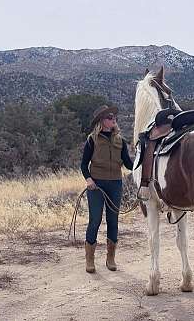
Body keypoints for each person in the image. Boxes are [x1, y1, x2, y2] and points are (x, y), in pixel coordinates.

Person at [80, 105, 133, 273]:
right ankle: (90, 260)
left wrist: (141, 160)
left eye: (114, 117)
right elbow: (83, 164)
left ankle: (110, 258)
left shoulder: (121, 141)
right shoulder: (92, 140)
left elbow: (128, 163)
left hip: (115, 184)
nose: (113, 119)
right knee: (94, 221)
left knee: (113, 220)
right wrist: (88, 179)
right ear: (102, 121)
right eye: (109, 117)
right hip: (96, 185)